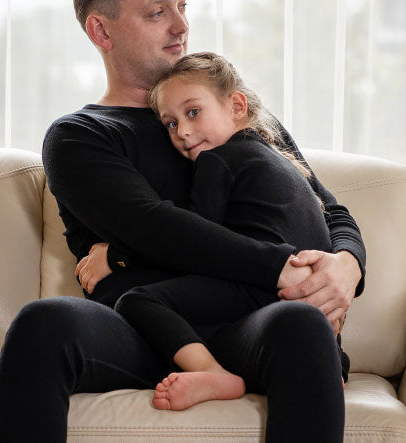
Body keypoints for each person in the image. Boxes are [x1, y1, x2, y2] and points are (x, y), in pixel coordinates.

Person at [0, 1, 365, 442]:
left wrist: (346, 265)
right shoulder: (80, 136)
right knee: (43, 323)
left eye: (182, 6)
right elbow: (159, 228)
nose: (181, 25)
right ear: (100, 31)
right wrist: (281, 265)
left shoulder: (229, 109)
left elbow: (327, 206)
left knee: (302, 325)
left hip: (249, 317)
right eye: (156, 12)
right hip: (146, 330)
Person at [76, 51, 351, 412]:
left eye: (193, 113)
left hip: (264, 284)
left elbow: (196, 238)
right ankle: (335, 363)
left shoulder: (216, 160)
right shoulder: (273, 154)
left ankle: (210, 371)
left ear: (236, 105)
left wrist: (117, 257)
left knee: (138, 300)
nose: (183, 132)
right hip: (309, 302)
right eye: (170, 124)